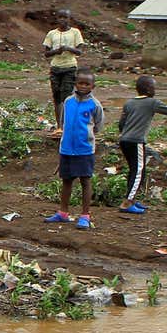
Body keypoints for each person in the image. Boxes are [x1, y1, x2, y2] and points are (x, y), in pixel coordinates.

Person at [117, 76, 167, 214]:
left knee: (134, 170)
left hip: (124, 140)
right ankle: (127, 203)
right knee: (138, 172)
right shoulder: (151, 103)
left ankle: (132, 199)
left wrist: (125, 133)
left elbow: (121, 123)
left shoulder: (129, 103)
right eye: (154, 87)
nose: (155, 90)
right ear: (148, 89)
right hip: (136, 141)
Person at [44, 69, 104, 230]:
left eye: (87, 84)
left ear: (93, 86)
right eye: (80, 83)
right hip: (66, 149)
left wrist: (87, 137)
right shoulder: (68, 102)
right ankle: (63, 212)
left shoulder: (95, 105)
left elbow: (97, 126)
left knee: (85, 180)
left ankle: (85, 215)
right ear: (75, 84)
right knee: (67, 181)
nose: (83, 86)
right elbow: (63, 123)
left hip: (85, 149)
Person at [43, 10, 85, 132]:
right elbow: (46, 53)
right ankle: (59, 126)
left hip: (70, 67)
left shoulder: (75, 32)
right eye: (60, 17)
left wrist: (68, 48)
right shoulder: (52, 34)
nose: (63, 20)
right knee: (56, 97)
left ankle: (67, 124)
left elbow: (80, 51)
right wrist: (57, 51)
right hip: (55, 68)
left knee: (66, 97)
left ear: (69, 19)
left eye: (65, 17)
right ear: (57, 19)